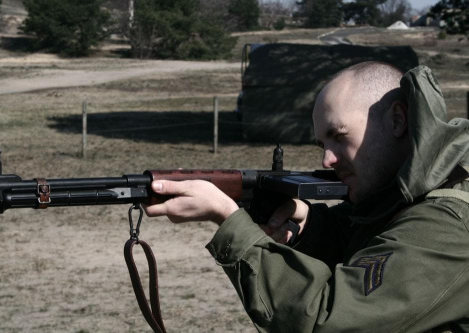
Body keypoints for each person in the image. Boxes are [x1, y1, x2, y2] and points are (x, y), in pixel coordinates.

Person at [144, 62, 469, 332]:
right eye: (322, 145)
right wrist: (309, 225)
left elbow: (326, 320)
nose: (327, 160)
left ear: (397, 120)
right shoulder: (404, 199)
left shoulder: (445, 225)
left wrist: (227, 218)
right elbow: (370, 239)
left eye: (339, 136)